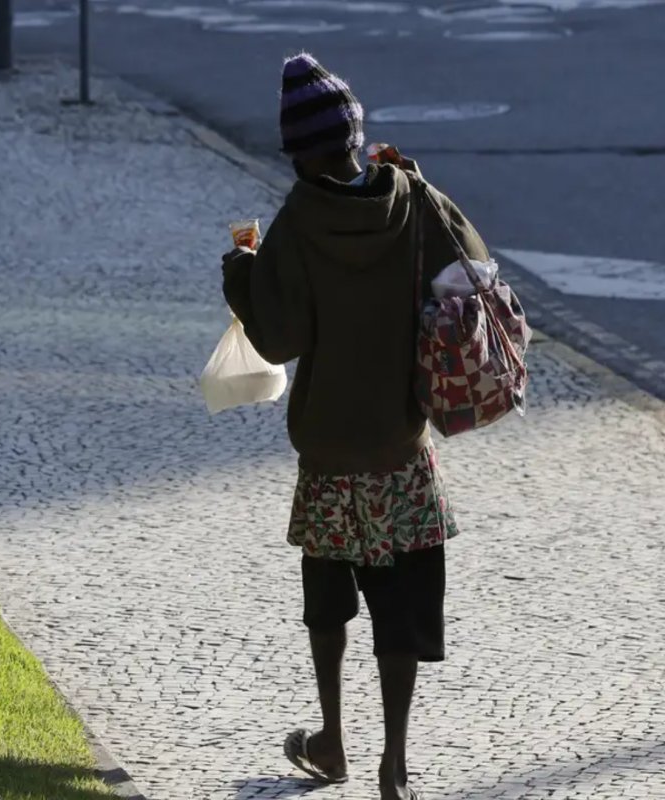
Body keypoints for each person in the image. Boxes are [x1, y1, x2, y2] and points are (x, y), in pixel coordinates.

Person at [220, 53, 491, 800]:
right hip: (401, 450)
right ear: (355, 137)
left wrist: (239, 270)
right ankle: (393, 765)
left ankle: (334, 739)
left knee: (329, 606)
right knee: (397, 609)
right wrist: (425, 182)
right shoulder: (409, 199)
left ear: (301, 154)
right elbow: (475, 268)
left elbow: (277, 339)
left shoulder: (298, 221)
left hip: (330, 454)